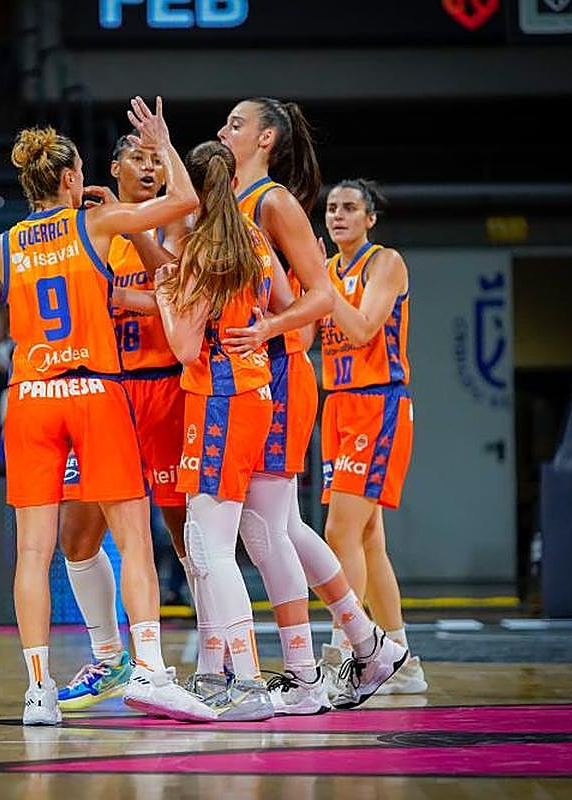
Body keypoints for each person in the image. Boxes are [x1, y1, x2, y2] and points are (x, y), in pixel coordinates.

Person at [0, 98, 214, 726]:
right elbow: (185, 204)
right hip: (95, 391)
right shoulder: (97, 226)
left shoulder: (2, 246)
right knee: (134, 539)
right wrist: (161, 144)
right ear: (73, 177)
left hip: (29, 399)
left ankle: (38, 691)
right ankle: (151, 672)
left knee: (32, 553)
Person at [157, 141, 406, 719]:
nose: (227, 127)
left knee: (241, 538)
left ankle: (266, 675)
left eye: (236, 121)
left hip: (248, 387)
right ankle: (351, 651)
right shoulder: (248, 233)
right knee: (278, 529)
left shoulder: (264, 209)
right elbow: (296, 297)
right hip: (264, 383)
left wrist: (258, 324)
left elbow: (310, 305)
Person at [53, 134, 192, 712]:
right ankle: (110, 658)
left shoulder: (175, 226)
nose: (151, 165)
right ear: (112, 167)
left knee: (185, 535)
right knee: (77, 537)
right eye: (139, 157)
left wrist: (129, 222)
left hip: (164, 390)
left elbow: (183, 287)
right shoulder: (91, 230)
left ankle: (215, 656)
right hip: (104, 393)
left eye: (159, 158)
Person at [315, 179, 425, 694]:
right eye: (332, 208)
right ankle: (403, 660)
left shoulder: (385, 262)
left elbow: (361, 329)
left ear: (369, 218)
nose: (338, 215)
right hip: (336, 403)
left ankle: (349, 653)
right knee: (367, 539)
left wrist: (318, 283)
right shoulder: (329, 270)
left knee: (340, 532)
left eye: (349, 208)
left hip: (378, 401)